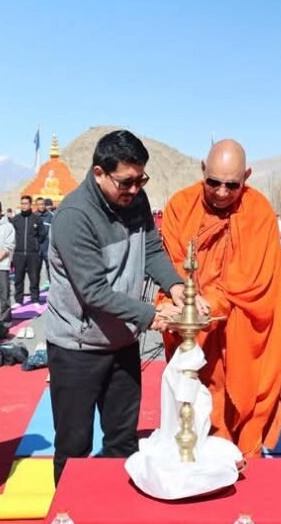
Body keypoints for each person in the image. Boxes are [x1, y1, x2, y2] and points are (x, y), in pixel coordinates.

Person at [46, 130, 185, 484]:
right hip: (77, 349)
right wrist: (150, 316)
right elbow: (93, 290)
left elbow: (152, 249)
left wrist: (175, 284)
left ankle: (114, 513)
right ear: (98, 173)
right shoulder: (74, 216)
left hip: (122, 344)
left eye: (141, 180)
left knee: (123, 440)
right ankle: (70, 518)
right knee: (74, 445)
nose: (135, 189)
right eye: (126, 182)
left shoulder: (135, 201)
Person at [158, 139, 281, 456]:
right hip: (194, 327)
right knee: (193, 396)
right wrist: (181, 302)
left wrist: (207, 303)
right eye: (213, 182)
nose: (221, 192)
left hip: (239, 330)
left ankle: (240, 463)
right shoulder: (180, 205)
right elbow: (172, 265)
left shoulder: (258, 212)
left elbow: (249, 280)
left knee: (242, 398)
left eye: (232, 185)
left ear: (247, 176)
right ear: (203, 169)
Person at [11, 194, 44, 305]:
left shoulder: (36, 219)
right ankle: (19, 300)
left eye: (26, 204)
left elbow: (42, 235)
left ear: (30, 205)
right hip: (18, 253)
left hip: (33, 254)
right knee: (18, 278)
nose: (23, 206)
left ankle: (35, 299)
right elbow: (11, 236)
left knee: (34, 278)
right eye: (22, 204)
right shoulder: (16, 220)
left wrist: (35, 245)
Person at [36, 196, 54, 280]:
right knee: (35, 271)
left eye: (43, 204)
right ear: (36, 205)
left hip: (48, 247)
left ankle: (52, 288)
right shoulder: (34, 217)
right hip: (37, 248)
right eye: (39, 205)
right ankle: (35, 291)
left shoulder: (51, 216)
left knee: (50, 269)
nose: (41, 206)